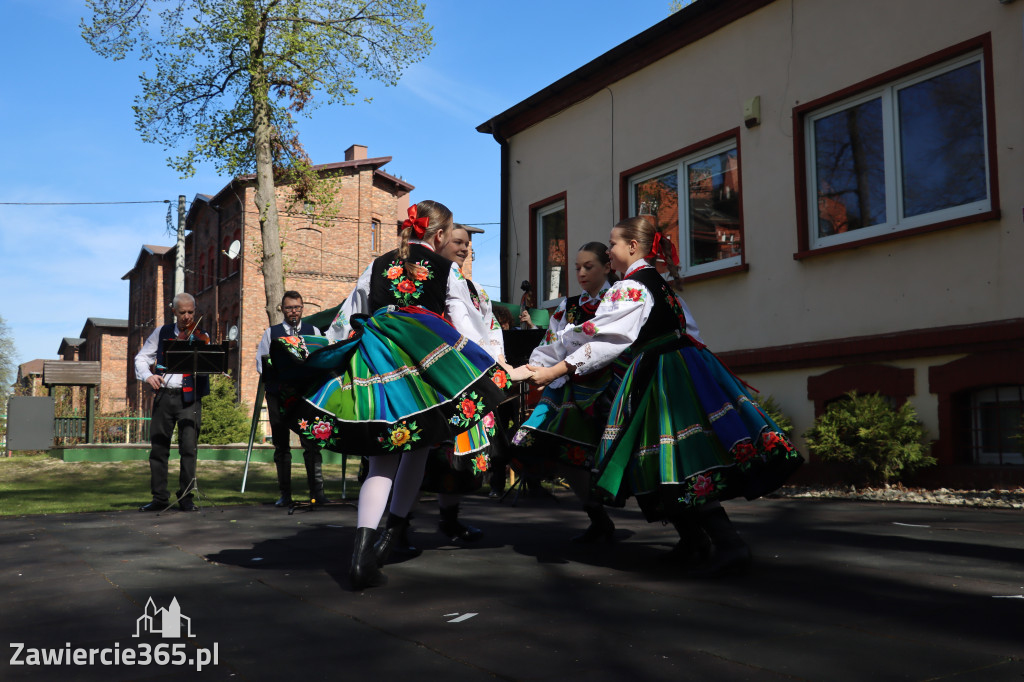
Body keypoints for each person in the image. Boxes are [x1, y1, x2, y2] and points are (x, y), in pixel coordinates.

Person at [268, 200, 526, 589]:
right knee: (417, 448)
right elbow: (468, 324)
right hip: (424, 362)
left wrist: (326, 356)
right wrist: (493, 363)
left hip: (377, 359)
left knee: (381, 460)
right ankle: (388, 541)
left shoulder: (375, 267)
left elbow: (345, 320)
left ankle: (361, 553)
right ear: (439, 235)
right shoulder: (448, 270)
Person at [528, 216, 802, 575]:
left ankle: (729, 544)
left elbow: (605, 340)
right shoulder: (659, 285)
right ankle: (694, 540)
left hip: (665, 374)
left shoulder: (632, 287)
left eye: (612, 244)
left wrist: (553, 369)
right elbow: (691, 331)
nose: (608, 250)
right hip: (681, 367)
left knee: (681, 457)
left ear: (632, 247)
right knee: (662, 459)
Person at [512, 242, 618, 542]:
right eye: (577, 268)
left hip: (613, 384)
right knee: (561, 449)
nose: (581, 273)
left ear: (607, 267)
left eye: (589, 267)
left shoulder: (620, 301)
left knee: (622, 449)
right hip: (572, 386)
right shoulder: (569, 307)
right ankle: (596, 515)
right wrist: (534, 370)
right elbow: (551, 346)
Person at [135, 292, 210, 512]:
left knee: (189, 449)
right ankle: (159, 498)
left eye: (191, 312)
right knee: (159, 449)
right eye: (182, 312)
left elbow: (209, 363)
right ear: (173, 312)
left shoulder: (202, 336)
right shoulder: (162, 332)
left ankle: (186, 498)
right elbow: (141, 358)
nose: (187, 317)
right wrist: (148, 376)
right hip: (165, 396)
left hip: (190, 398)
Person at [256, 290, 328, 507]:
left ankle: (317, 494)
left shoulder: (313, 330)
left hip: (305, 397)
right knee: (281, 445)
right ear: (282, 309)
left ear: (302, 308)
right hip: (279, 395)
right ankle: (285, 494)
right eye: (289, 308)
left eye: (297, 307)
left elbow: (320, 357)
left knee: (312, 444)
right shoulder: (272, 332)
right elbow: (262, 364)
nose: (293, 312)